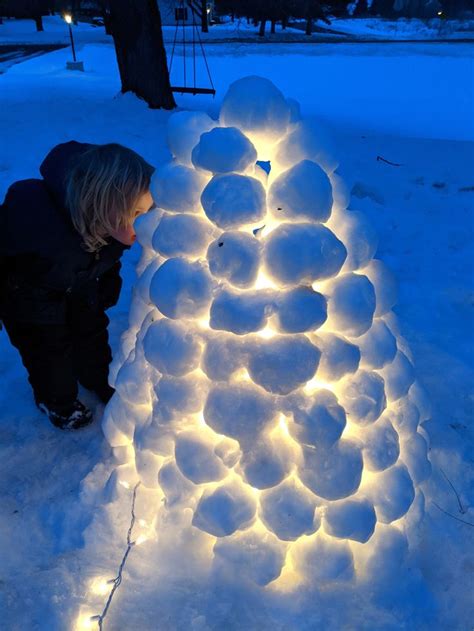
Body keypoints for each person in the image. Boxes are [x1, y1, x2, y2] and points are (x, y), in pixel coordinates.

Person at [0, 141, 155, 430]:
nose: (144, 223)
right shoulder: (34, 224)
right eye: (136, 214)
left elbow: (108, 261)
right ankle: (57, 402)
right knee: (50, 359)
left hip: (80, 293)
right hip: (31, 307)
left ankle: (98, 378)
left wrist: (106, 288)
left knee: (92, 340)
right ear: (99, 204)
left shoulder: (109, 232)